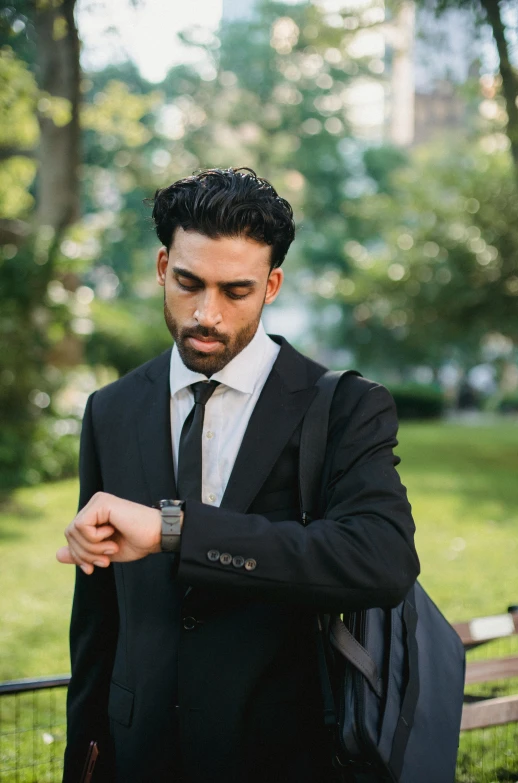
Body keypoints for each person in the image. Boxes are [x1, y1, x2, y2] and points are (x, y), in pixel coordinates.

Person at [57, 167, 420, 783]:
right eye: (188, 283)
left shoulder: (345, 406)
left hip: (284, 753)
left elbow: (380, 561)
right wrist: (84, 758)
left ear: (272, 284)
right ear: (161, 265)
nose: (207, 314)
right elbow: (97, 618)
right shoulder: (110, 409)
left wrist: (174, 531)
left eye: (236, 291)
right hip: (136, 751)